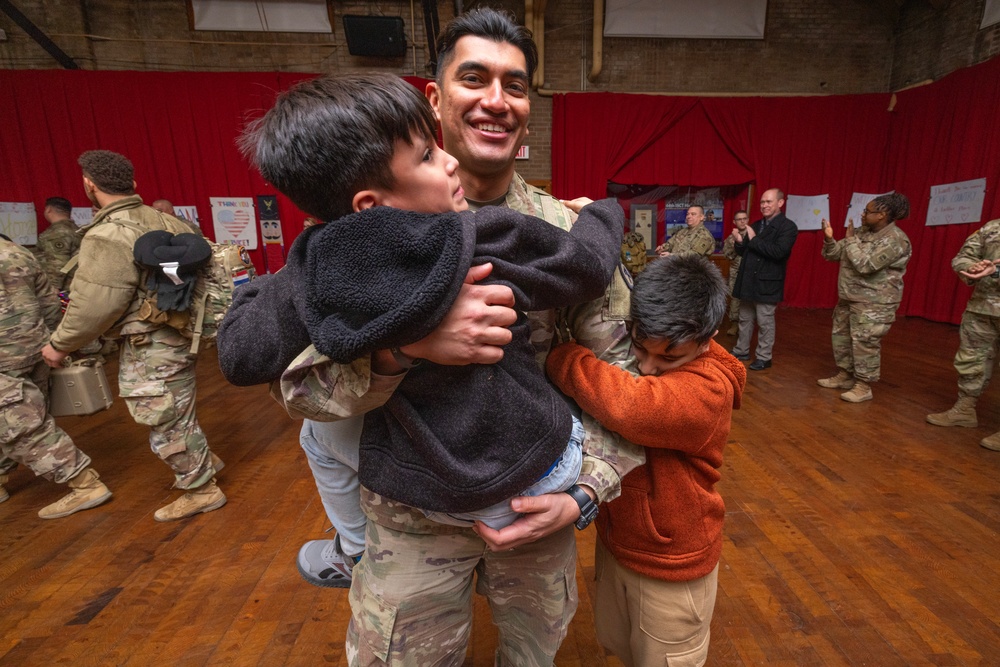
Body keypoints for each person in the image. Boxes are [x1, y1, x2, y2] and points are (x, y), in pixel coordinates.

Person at [219, 8, 644, 665]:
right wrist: (404, 349)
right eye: (475, 78)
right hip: (410, 512)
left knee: (533, 654)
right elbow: (299, 388)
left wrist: (586, 493)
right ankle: (351, 550)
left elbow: (627, 381)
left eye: (517, 84)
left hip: (537, 496)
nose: (496, 101)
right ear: (436, 97)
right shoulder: (349, 235)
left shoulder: (559, 225)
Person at [226, 72, 624, 527]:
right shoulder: (476, 239)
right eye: (428, 156)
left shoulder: (312, 266)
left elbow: (240, 355)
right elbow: (589, 266)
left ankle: (350, 546)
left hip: (424, 490)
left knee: (317, 438)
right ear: (371, 206)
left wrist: (262, 286)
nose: (449, 162)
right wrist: (602, 213)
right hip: (532, 477)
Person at [545, 254, 746, 666]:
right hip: (622, 545)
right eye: (639, 348)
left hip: (673, 563)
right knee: (624, 647)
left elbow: (630, 408)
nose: (648, 367)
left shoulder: (710, 389)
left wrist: (560, 355)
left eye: (669, 359)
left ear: (709, 337)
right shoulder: (656, 347)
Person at [40, 150, 226, 522]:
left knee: (159, 413)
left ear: (89, 186)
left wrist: (59, 345)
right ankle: (204, 463)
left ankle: (201, 488)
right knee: (176, 406)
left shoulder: (106, 234)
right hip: (181, 332)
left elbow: (95, 304)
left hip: (150, 338)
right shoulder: (166, 220)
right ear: (133, 184)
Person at [0, 237, 113, 517]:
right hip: (35, 350)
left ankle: (84, 483)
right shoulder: (15, 251)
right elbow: (50, 302)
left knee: (21, 425)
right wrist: (55, 345)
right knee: (18, 417)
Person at [818, 194, 912, 403]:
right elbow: (833, 254)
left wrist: (850, 239)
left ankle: (863, 385)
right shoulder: (861, 233)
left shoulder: (896, 239)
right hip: (849, 297)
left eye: (868, 211)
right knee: (841, 338)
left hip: (875, 303)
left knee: (865, 343)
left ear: (882, 215)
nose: (863, 214)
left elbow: (865, 265)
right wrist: (829, 238)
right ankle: (845, 375)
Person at [926, 217, 1000, 451]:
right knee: (971, 359)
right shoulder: (992, 227)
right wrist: (970, 267)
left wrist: (996, 270)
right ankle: (965, 409)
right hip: (983, 308)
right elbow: (962, 256)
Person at [730, 188, 799, 371]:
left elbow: (778, 252)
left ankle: (764, 357)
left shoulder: (788, 227)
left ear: (780, 203)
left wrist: (752, 240)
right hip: (748, 281)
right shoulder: (757, 224)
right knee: (744, 319)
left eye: (768, 202)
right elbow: (745, 251)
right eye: (762, 202)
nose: (764, 205)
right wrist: (739, 241)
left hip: (767, 282)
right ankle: (741, 350)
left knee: (765, 321)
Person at [32, 196, 81, 292]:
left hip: (64, 288)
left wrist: (52, 288)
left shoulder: (58, 232)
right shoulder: (75, 229)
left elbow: (58, 262)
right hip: (74, 285)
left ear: (48, 209)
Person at [721, 210, 750, 335]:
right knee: (735, 298)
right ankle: (734, 324)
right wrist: (735, 246)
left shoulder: (753, 236)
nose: (742, 221)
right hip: (736, 273)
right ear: (734, 222)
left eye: (744, 218)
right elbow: (727, 255)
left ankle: (747, 325)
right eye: (739, 219)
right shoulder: (730, 238)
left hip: (750, 273)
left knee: (749, 300)